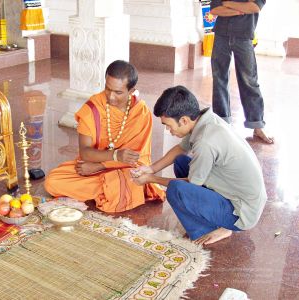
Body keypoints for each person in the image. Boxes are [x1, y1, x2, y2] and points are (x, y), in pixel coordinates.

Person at [131, 86, 267, 245]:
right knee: (180, 161)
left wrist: (150, 178)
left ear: (183, 120)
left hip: (241, 212)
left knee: (176, 190)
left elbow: (190, 183)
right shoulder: (204, 119)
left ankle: (209, 229)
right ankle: (215, 219)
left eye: (168, 125)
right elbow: (181, 148)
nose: (168, 130)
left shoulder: (205, 142)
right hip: (240, 195)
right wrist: (151, 168)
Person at [44, 60, 165, 212]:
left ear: (132, 90)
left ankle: (112, 190)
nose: (111, 97)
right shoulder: (93, 108)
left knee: (135, 178)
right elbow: (86, 153)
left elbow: (136, 159)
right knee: (52, 181)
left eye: (118, 92)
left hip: (124, 169)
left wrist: (98, 166)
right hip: (97, 164)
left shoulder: (141, 113)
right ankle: (111, 190)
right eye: (108, 89)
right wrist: (114, 156)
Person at [210, 0, 274, 144]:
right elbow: (215, 10)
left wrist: (227, 3)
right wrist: (242, 10)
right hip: (221, 35)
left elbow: (255, 7)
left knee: (249, 80)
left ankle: (257, 125)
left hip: (244, 36)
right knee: (219, 78)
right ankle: (222, 122)